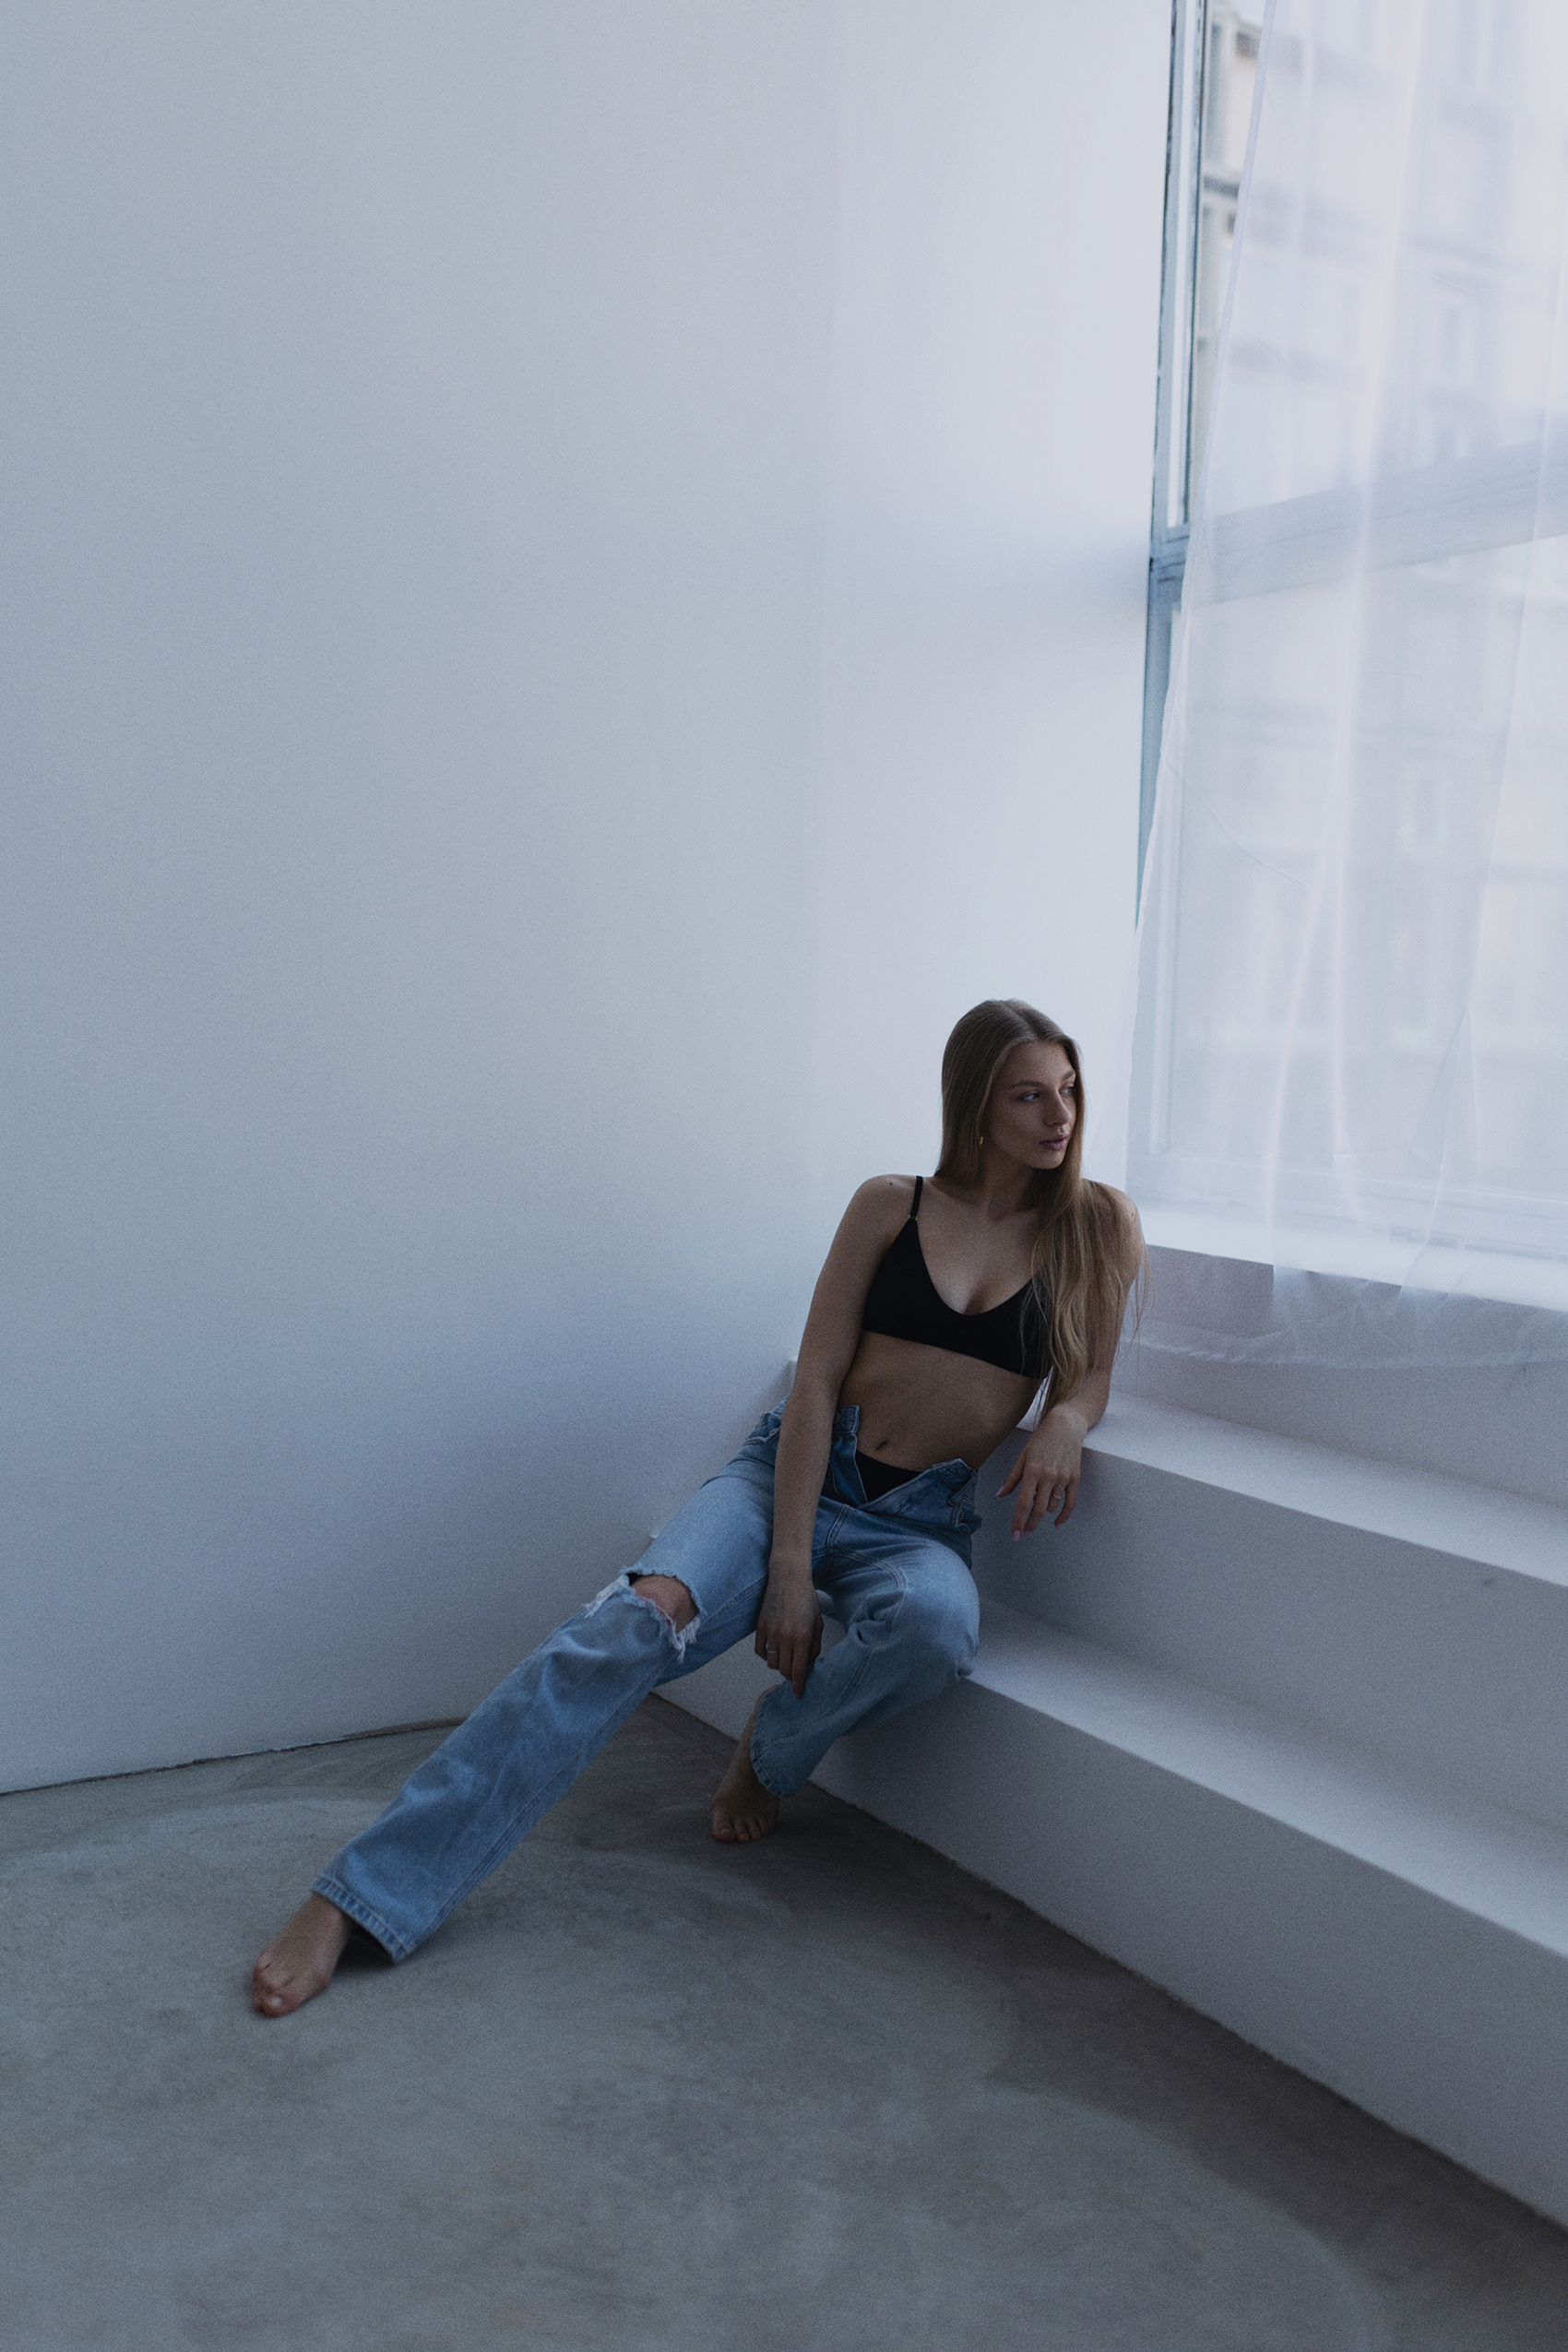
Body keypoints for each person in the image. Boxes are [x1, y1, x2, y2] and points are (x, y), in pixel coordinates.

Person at [252, 998, 1145, 2016]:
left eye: (1068, 1090)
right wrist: (789, 1564)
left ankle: (771, 1749)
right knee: (625, 1629)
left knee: (937, 1629)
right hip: (787, 1482)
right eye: (1028, 1095)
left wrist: (1066, 1421)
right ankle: (357, 1895)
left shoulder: (1094, 1226)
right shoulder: (890, 1206)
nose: (1059, 1115)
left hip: (918, 1521)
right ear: (974, 1105)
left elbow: (1089, 1376)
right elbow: (814, 1381)